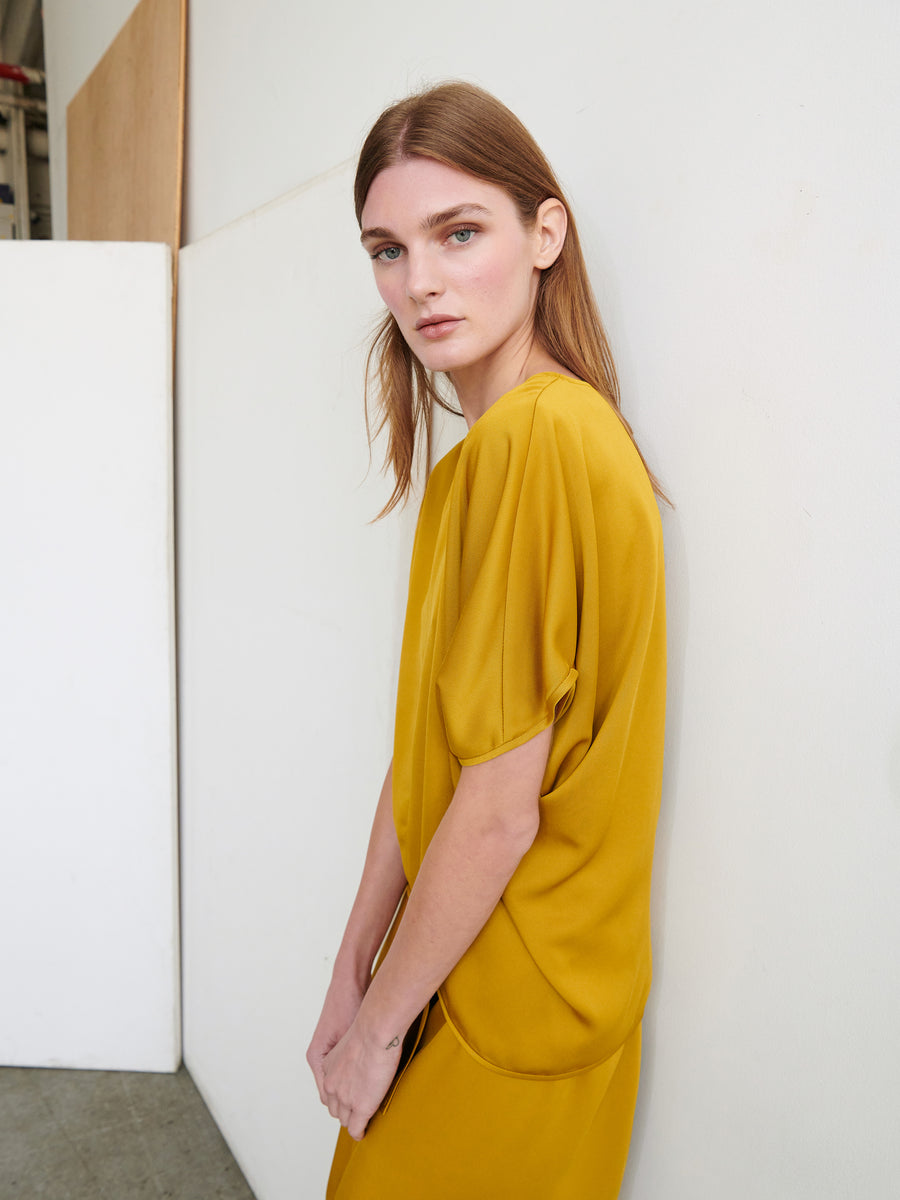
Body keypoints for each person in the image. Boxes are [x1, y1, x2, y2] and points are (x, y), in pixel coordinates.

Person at [307, 81, 667, 1200]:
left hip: (504, 999)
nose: (419, 282)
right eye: (386, 249)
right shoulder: (497, 454)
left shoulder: (541, 445)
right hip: (506, 980)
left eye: (458, 233)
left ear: (542, 233)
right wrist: (351, 959)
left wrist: (378, 1026)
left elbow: (501, 805)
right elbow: (436, 751)